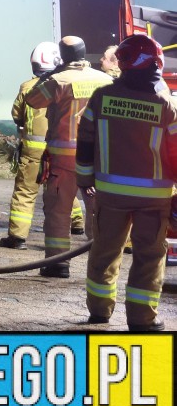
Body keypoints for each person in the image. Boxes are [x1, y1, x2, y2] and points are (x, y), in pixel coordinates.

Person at [75, 33, 177, 329]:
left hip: (110, 194)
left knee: (104, 252)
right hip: (153, 197)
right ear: (154, 63)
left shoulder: (102, 97)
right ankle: (142, 319)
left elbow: (85, 143)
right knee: (149, 257)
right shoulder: (165, 104)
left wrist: (85, 180)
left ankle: (99, 311)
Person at [24, 35, 113, 276]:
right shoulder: (105, 80)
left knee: (58, 211)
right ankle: (102, 265)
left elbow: (32, 101)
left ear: (62, 56)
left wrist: (46, 77)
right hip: (97, 158)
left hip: (63, 158)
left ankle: (58, 264)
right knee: (98, 210)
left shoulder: (57, 80)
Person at [0, 41, 82, 248]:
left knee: (26, 192)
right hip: (62, 149)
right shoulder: (67, 83)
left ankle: (17, 237)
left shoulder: (28, 87)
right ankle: (77, 223)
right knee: (62, 186)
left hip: (33, 151)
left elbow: (17, 114)